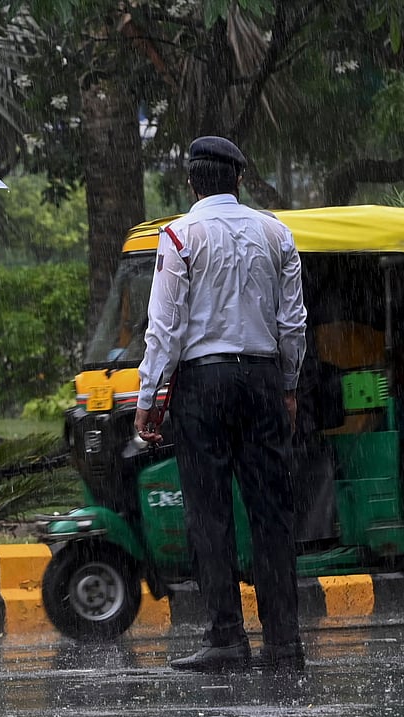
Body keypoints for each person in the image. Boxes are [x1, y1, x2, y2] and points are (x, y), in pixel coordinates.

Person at [133, 136, 308, 673]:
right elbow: (293, 323)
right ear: (239, 179)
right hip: (260, 381)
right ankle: (283, 641)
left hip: (202, 387)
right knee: (272, 514)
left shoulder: (179, 237)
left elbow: (164, 330)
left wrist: (148, 400)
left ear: (192, 183)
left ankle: (227, 636)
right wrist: (288, 384)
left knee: (209, 514)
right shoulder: (277, 233)